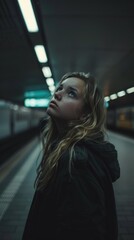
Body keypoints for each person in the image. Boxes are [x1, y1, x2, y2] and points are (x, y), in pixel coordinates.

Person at [22, 72, 120, 240]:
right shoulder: (63, 150)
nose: (58, 94)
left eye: (71, 93)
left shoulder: (77, 164)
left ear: (85, 115)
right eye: (59, 89)